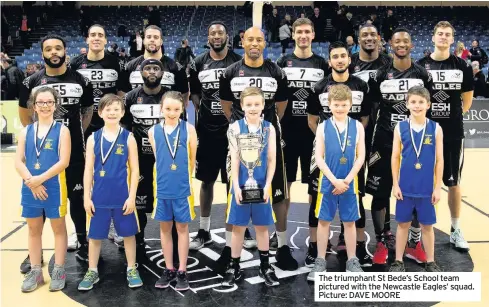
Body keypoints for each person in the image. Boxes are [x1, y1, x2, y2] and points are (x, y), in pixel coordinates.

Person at [18, 34, 94, 272]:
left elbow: (88, 109)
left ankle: (82, 241)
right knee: (38, 199)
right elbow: (23, 114)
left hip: (72, 154)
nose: (54, 52)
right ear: (42, 54)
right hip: (40, 156)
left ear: (65, 51)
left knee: (77, 196)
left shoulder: (80, 80)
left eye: (58, 48)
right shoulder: (31, 82)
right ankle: (35, 253)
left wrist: (73, 135)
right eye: (48, 49)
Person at [219, 26, 289, 273]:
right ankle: (230, 250)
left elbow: (281, 104)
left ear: (264, 42)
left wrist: (265, 124)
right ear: (242, 41)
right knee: (235, 194)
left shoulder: (275, 70)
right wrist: (242, 126)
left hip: (268, 137)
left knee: (277, 192)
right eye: (250, 39)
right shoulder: (229, 72)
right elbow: (228, 105)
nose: (255, 43)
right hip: (239, 139)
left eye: (260, 39)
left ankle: (281, 246)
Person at [365, 27, 433, 265]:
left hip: (414, 145)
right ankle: (383, 241)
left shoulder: (423, 74)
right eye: (397, 41)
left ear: (412, 45)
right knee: (380, 193)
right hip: (383, 141)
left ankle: (414, 243)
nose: (401, 44)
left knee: (415, 194)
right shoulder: (381, 75)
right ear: (390, 45)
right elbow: (372, 108)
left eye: (406, 41)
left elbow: (428, 109)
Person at [306, 41, 371, 267]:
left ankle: (353, 259)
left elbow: (361, 156)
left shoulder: (358, 125)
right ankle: (319, 259)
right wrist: (335, 180)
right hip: (328, 180)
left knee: (351, 221)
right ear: (329, 105)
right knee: (323, 219)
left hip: (350, 181)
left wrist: (347, 180)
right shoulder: (324, 126)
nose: (340, 108)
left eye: (344, 105)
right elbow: (319, 156)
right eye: (336, 104)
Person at [275, 17, 329, 270]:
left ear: (313, 34)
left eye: (308, 31)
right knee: (284, 189)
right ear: (293, 34)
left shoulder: (322, 65)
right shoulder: (281, 63)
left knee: (313, 191)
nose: (304, 35)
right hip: (286, 134)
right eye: (299, 32)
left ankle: (315, 243)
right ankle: (282, 239)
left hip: (313, 135)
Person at [417, 21, 473, 254]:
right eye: (439, 34)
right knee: (420, 183)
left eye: (447, 34)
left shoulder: (462, 65)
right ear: (433, 38)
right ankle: (417, 232)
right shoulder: (420, 66)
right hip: (423, 133)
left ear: (452, 40)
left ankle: (455, 229)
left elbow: (467, 102)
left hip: (451, 133)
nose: (443, 37)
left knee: (453, 182)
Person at [78, 94, 143, 291]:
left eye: (116, 109)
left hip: (123, 197)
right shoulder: (93, 138)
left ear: (122, 113)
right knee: (95, 237)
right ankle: (92, 270)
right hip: (99, 197)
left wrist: (132, 197)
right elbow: (88, 169)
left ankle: (132, 268)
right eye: (108, 109)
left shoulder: (128, 137)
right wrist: (87, 197)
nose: (112, 112)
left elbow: (135, 170)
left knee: (129, 235)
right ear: (100, 113)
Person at [188, 21, 241, 253]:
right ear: (208, 37)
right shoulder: (198, 62)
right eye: (212, 33)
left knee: (234, 182)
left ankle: (239, 227)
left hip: (234, 133)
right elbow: (195, 95)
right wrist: (206, 112)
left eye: (220, 32)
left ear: (227, 36)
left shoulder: (238, 62)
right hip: (207, 133)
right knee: (206, 181)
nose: (216, 36)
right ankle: (204, 229)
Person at [222, 87, 279, 287]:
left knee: (262, 228)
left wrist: (268, 185)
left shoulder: (269, 128)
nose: (253, 108)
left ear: (263, 105)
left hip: (262, 185)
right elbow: (234, 159)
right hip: (240, 185)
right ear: (241, 106)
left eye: (257, 104)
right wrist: (236, 187)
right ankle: (234, 265)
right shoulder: (235, 127)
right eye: (249, 104)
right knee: (238, 227)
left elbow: (272, 160)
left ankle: (265, 266)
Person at [15, 87, 70, 292]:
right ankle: (36, 271)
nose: (45, 106)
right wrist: (31, 180)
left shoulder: (62, 130)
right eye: (41, 102)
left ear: (55, 105)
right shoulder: (26, 131)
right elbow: (18, 161)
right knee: (33, 229)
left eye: (49, 102)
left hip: (54, 186)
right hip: (30, 186)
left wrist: (40, 179)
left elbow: (63, 161)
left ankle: (59, 269)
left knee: (58, 228)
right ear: (34, 106)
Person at [348, 24, 392, 264]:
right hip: (353, 136)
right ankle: (352, 235)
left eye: (373, 34)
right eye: (364, 35)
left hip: (380, 137)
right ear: (358, 39)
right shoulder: (350, 62)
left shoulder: (389, 63)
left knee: (379, 188)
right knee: (353, 188)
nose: (369, 38)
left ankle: (384, 235)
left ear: (379, 38)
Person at [122, 59, 172, 261]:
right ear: (141, 72)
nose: (152, 72)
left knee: (168, 200)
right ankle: (139, 241)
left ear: (162, 73)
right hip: (139, 160)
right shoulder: (131, 97)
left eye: (156, 68)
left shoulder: (170, 96)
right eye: (147, 68)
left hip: (166, 159)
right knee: (139, 201)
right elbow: (124, 128)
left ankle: (172, 240)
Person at [389, 86, 443, 272]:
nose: (417, 105)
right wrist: (395, 184)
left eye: (421, 102)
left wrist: (438, 188)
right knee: (403, 224)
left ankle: (430, 261)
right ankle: (398, 260)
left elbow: (440, 159)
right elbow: (395, 157)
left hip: (427, 189)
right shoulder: (400, 126)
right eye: (413, 102)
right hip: (405, 187)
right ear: (407, 104)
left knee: (427, 226)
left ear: (428, 104)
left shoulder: (436, 128)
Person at [149, 91, 197, 291]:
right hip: (162, 188)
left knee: (183, 229)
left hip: (182, 189)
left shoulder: (189, 129)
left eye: (176, 109)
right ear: (161, 108)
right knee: (165, 229)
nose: (172, 113)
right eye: (168, 109)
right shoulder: (153, 131)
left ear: (182, 110)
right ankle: (169, 268)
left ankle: (183, 270)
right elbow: (158, 159)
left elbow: (192, 159)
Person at [70, 24, 125, 142]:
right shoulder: (75, 63)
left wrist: (118, 117)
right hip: (83, 119)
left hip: (108, 119)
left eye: (100, 35)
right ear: (87, 39)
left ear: (105, 40)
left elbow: (121, 92)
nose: (96, 38)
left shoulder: (116, 63)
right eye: (93, 35)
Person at [122, 25, 189, 108]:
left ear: (161, 41)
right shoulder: (130, 66)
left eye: (156, 37)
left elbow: (183, 96)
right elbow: (122, 96)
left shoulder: (176, 68)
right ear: (143, 40)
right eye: (149, 37)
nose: (152, 40)